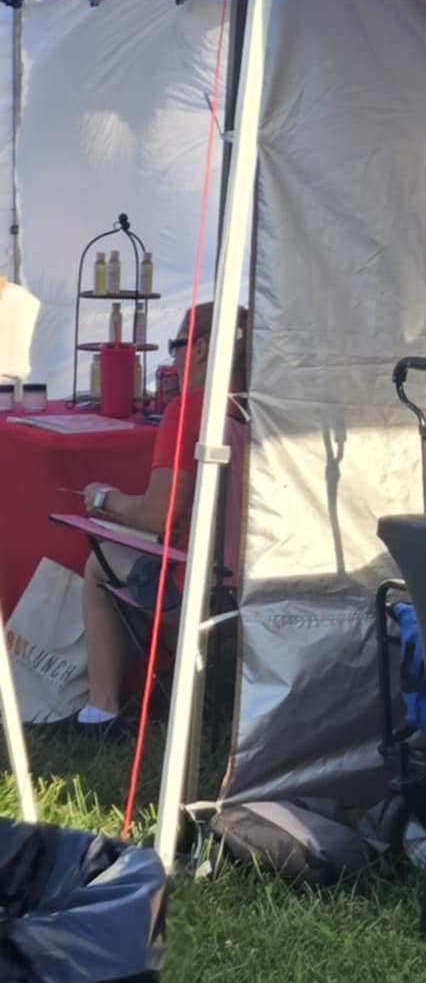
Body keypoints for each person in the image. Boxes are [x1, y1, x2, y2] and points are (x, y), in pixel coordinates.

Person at [71, 302, 248, 731]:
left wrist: (103, 500)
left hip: (203, 592)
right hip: (257, 593)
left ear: (203, 348)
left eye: (178, 345)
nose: (173, 358)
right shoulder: (268, 408)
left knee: (100, 562)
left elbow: (157, 515)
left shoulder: (187, 411)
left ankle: (103, 709)